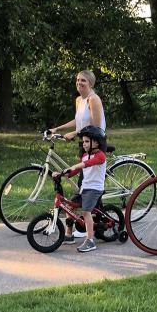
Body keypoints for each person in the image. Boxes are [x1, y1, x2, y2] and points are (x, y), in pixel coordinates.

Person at [50, 70, 106, 238]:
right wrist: (58, 128)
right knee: (87, 179)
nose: (79, 83)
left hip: (95, 144)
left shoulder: (93, 99)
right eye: (77, 80)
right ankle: (96, 221)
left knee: (86, 181)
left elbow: (95, 127)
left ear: (90, 83)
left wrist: (75, 134)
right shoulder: (79, 100)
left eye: (83, 80)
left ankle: (78, 227)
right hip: (84, 143)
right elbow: (78, 120)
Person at [52, 126, 107, 253]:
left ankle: (90, 241)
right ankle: (69, 235)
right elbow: (76, 170)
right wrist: (61, 173)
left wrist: (74, 166)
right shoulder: (84, 156)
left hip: (94, 189)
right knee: (68, 206)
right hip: (84, 188)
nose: (84, 144)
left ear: (96, 142)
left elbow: (86, 164)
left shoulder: (100, 156)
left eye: (87, 141)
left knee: (86, 212)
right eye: (83, 141)